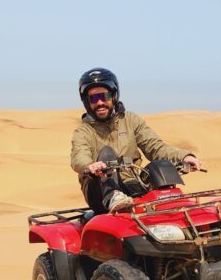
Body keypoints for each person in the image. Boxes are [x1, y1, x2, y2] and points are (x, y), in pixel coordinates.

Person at [70, 68, 201, 213]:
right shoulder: (83, 131)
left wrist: (184, 156)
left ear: (113, 96)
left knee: (158, 166)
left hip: (133, 184)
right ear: (87, 102)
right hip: (99, 192)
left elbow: (155, 147)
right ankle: (113, 196)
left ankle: (174, 207)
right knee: (107, 153)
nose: (100, 102)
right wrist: (90, 166)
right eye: (94, 98)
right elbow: (78, 156)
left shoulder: (130, 120)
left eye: (104, 96)